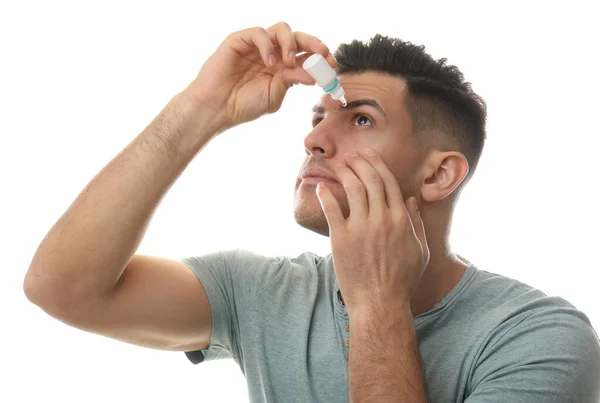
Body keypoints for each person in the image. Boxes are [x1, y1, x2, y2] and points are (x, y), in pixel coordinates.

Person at [24, 22, 600, 403]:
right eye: (316, 117)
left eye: (361, 119)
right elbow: (62, 287)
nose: (315, 141)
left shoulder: (538, 337)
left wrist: (377, 303)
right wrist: (200, 108)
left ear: (438, 174)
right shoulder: (263, 292)